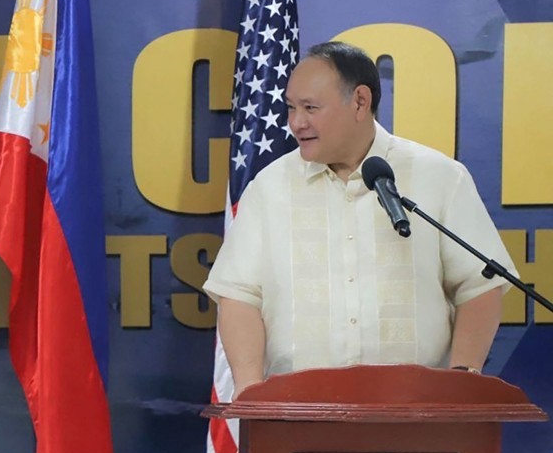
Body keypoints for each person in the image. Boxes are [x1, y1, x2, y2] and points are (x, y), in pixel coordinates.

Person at [203, 41, 514, 396]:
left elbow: (480, 286)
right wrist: (250, 392)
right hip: (297, 416)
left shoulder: (440, 177)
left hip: (418, 413)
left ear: (360, 102)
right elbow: (239, 295)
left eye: (310, 108)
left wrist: (462, 383)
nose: (295, 123)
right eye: (290, 108)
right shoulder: (269, 188)